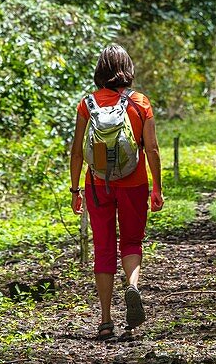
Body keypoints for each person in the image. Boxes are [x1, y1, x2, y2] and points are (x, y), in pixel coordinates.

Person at [69, 44, 165, 340]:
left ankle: (106, 319)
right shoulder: (140, 103)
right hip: (134, 182)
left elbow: (76, 151)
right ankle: (133, 284)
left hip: (97, 184)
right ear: (128, 69)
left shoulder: (88, 104)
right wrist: (157, 188)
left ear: (100, 71)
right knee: (132, 240)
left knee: (104, 246)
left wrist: (75, 190)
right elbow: (151, 148)